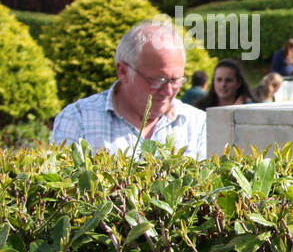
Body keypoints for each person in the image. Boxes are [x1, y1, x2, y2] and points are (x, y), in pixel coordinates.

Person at [50, 20, 206, 159]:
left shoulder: (198, 124)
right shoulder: (78, 120)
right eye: (157, 81)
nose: (168, 91)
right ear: (123, 71)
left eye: (175, 80)